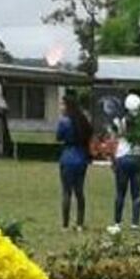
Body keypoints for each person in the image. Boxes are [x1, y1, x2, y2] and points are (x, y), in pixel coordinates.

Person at [108, 93, 140, 235]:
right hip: (138, 158)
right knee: (136, 194)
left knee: (120, 193)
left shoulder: (120, 122)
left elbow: (113, 137)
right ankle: (135, 223)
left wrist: (112, 159)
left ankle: (117, 223)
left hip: (123, 157)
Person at [57, 94, 93, 231]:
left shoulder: (64, 121)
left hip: (67, 157)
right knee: (79, 191)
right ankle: (79, 223)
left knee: (66, 192)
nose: (61, 107)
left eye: (62, 104)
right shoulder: (83, 120)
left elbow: (59, 137)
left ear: (67, 106)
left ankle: (65, 225)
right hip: (81, 158)